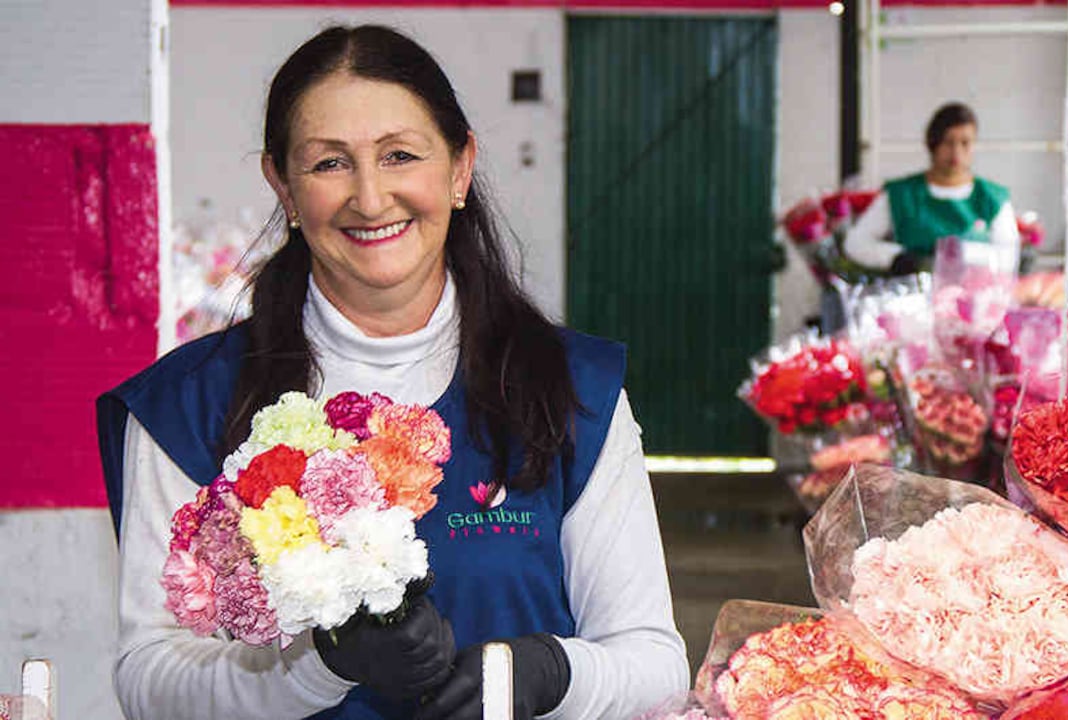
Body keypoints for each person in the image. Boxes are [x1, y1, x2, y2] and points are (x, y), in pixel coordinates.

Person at [96, 24, 688, 720]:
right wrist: (318, 668)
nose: (371, 199)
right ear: (283, 187)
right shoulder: (189, 407)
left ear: (460, 168)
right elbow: (150, 680)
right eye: (329, 164)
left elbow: (655, 664)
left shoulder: (569, 389)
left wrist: (549, 672)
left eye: (400, 155)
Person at [844, 102, 1018, 275]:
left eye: (965, 143)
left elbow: (1008, 257)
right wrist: (895, 257)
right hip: (911, 295)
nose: (956, 152)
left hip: (976, 296)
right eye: (948, 142)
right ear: (932, 144)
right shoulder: (901, 194)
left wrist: (963, 254)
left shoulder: (992, 198)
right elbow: (856, 243)